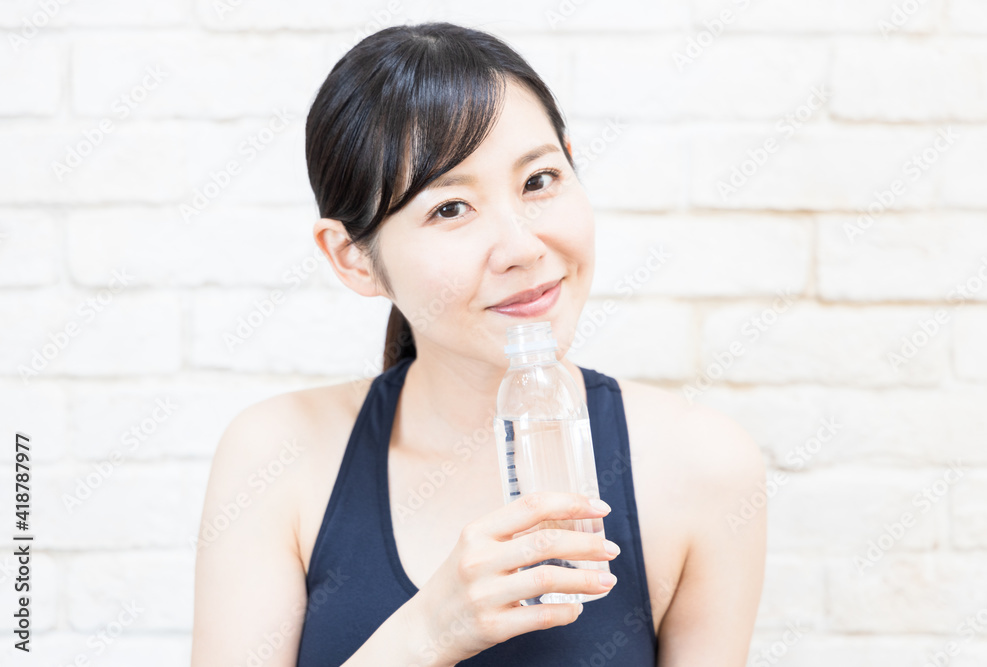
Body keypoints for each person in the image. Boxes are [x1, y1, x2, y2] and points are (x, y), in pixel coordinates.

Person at [191, 21, 766, 667]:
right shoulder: (276, 455)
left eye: (540, 180)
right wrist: (426, 632)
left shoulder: (705, 464)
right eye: (450, 209)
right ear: (353, 258)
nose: (522, 247)